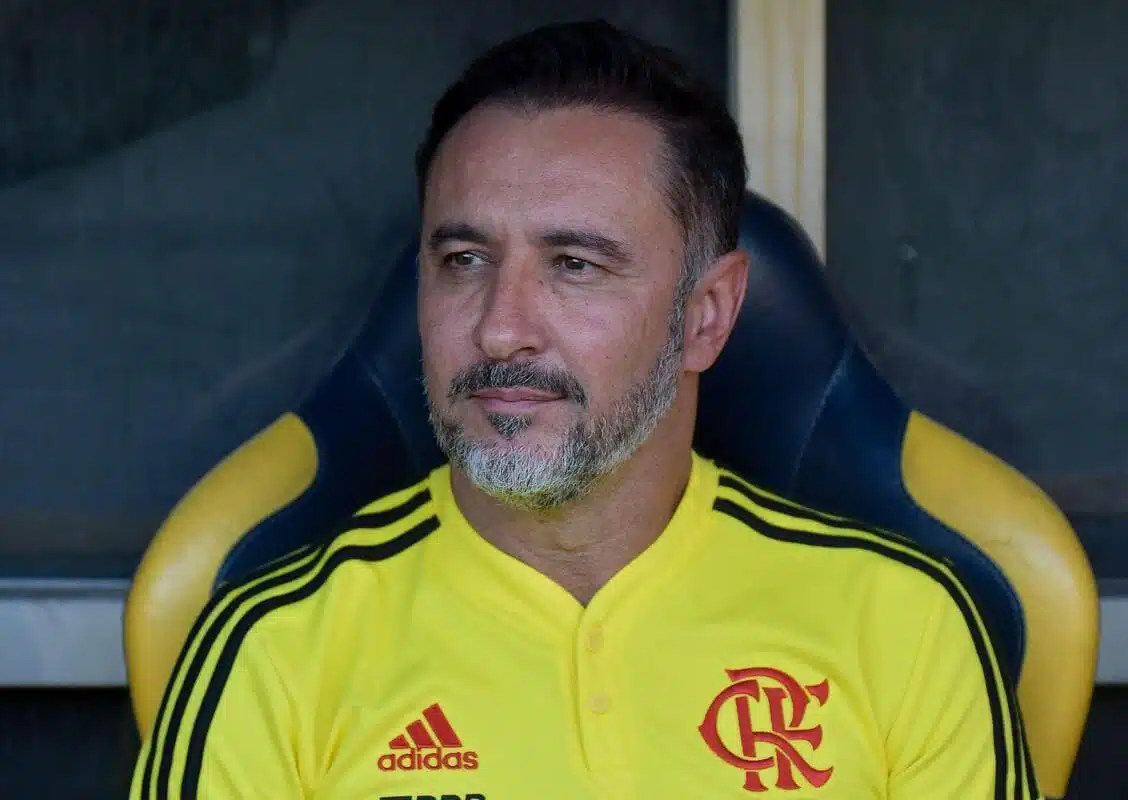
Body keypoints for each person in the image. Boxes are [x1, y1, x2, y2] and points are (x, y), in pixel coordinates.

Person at [130, 19, 1040, 799]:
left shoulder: (905, 624)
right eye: (463, 261)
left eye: (574, 265)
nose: (500, 329)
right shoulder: (277, 644)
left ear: (706, 315)